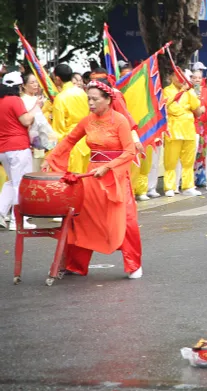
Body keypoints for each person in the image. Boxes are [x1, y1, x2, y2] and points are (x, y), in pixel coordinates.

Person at [40, 81, 143, 279]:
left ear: (108, 100)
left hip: (115, 176)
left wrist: (108, 167)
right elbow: (70, 140)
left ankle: (133, 264)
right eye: (89, 99)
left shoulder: (120, 121)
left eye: (95, 99)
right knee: (82, 219)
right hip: (92, 176)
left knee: (126, 221)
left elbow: (130, 151)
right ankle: (75, 265)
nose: (91, 103)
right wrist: (50, 158)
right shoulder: (87, 121)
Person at [0, 72, 39, 230]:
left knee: (11, 182)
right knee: (20, 184)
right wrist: (37, 108)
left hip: (4, 149)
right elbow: (26, 120)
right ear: (19, 86)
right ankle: (18, 221)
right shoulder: (15, 100)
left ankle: (2, 214)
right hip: (18, 147)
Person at [162, 72, 205, 197]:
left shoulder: (189, 91)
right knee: (171, 160)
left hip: (189, 129)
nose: (180, 79)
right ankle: (170, 187)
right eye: (177, 76)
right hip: (174, 129)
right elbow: (171, 108)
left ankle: (188, 186)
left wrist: (189, 96)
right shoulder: (167, 90)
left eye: (182, 77)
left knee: (188, 161)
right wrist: (186, 107)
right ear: (171, 77)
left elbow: (197, 109)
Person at [50, 63, 90, 175]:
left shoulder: (61, 98)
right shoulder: (82, 93)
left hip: (71, 140)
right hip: (86, 139)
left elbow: (58, 129)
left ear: (57, 79)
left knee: (72, 178)